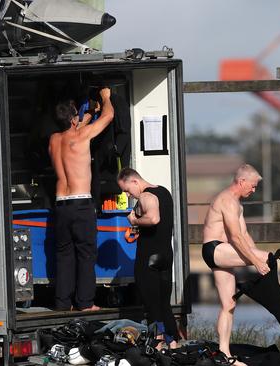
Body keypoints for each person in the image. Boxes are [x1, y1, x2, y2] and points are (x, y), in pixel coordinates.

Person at [48, 88, 114, 311]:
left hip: (61, 204)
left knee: (64, 255)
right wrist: (105, 98)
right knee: (86, 254)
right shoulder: (81, 136)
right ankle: (85, 303)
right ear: (72, 117)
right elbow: (108, 116)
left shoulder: (54, 140)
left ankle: (62, 303)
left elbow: (72, 136)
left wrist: (85, 118)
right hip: (81, 202)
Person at [202, 164, 271, 365]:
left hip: (222, 251)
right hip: (215, 249)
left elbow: (245, 237)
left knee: (229, 304)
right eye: (253, 186)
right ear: (241, 182)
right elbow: (235, 237)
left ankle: (224, 353)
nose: (254, 190)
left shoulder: (237, 204)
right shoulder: (227, 200)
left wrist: (255, 254)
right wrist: (258, 260)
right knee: (268, 258)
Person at [117, 168, 179, 349]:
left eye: (127, 190)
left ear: (135, 181)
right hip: (166, 256)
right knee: (164, 304)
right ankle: (173, 346)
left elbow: (153, 219)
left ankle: (157, 347)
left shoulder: (146, 196)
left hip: (149, 259)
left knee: (151, 307)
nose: (128, 194)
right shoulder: (164, 192)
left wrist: (134, 221)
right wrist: (138, 230)